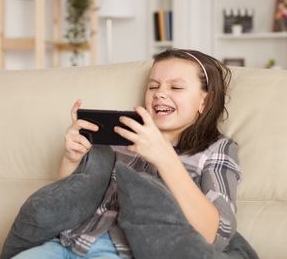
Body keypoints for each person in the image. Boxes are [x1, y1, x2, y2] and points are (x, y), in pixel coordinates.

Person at [13, 49, 241, 259]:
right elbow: (66, 201)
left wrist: (165, 158)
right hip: (68, 243)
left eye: (176, 87)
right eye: (153, 86)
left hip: (122, 252)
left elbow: (218, 234)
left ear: (206, 100)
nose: (160, 94)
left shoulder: (217, 149)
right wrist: (71, 159)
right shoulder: (120, 137)